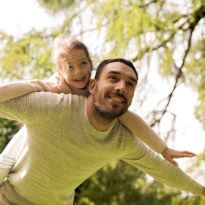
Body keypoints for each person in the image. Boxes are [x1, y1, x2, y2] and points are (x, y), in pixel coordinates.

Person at [0, 58, 204, 205]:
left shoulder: (121, 140)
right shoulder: (53, 106)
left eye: (130, 84)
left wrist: (201, 191)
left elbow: (161, 169)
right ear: (93, 85)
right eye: (113, 78)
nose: (122, 87)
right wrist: (39, 84)